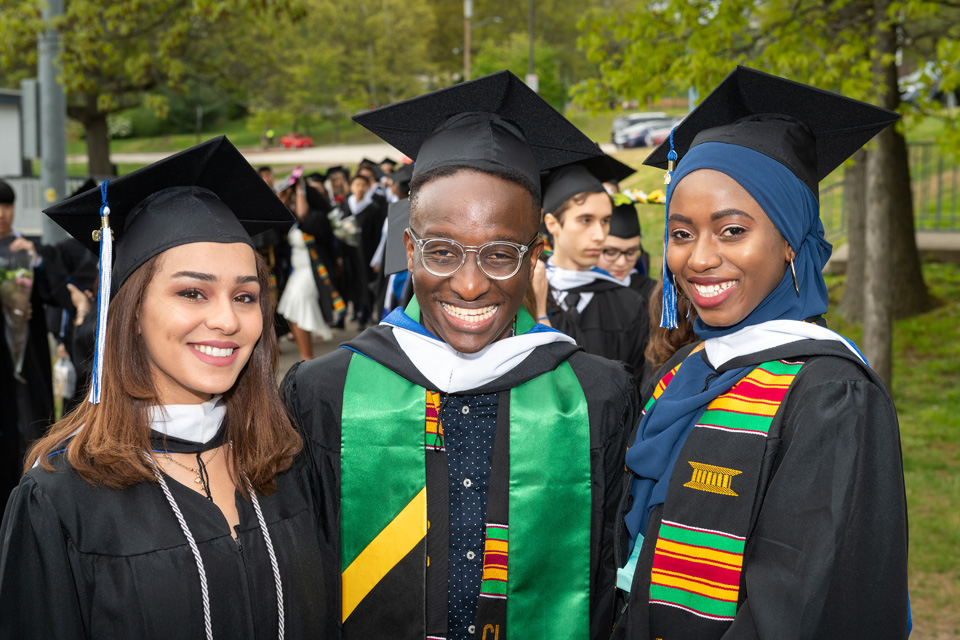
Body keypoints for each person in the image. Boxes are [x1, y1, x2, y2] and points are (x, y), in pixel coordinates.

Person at [282, 70, 641, 640]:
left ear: (534, 256)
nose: (470, 285)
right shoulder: (323, 392)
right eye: (442, 251)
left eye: (501, 254)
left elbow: (608, 582)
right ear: (408, 249)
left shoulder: (598, 397)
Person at [614, 67, 909, 639]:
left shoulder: (830, 398)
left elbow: (800, 609)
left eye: (731, 231)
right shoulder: (683, 373)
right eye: (681, 233)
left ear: (791, 241)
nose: (698, 259)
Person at [0, 137, 330, 638]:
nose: (226, 319)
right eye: (192, 292)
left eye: (245, 296)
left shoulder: (289, 466)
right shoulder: (61, 499)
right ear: (130, 313)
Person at [541, 159, 650, 379]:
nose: (600, 235)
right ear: (552, 224)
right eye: (585, 220)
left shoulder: (630, 304)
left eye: (605, 220)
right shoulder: (526, 292)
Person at [0, 178, 54, 506]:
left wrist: (35, 263)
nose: (2, 213)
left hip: (25, 357)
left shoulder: (26, 249)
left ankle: (33, 495)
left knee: (31, 422)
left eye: (7, 205)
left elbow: (52, 296)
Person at [277, 178, 334, 361]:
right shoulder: (293, 220)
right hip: (298, 270)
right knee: (291, 309)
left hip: (312, 271)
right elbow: (281, 209)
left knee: (299, 301)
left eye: (298, 197)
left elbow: (303, 214)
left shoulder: (316, 217)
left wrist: (301, 188)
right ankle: (304, 355)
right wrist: (286, 192)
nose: (294, 201)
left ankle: (308, 356)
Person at [596, 198, 655, 301]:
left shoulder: (652, 292)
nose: (622, 263)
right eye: (611, 252)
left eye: (631, 252)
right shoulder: (576, 292)